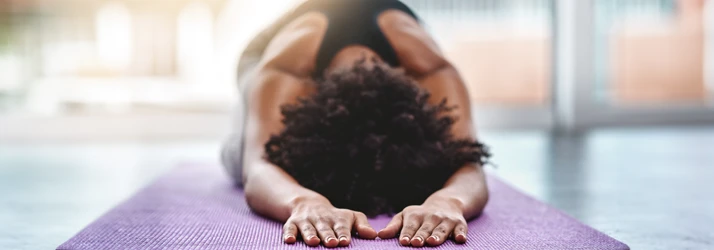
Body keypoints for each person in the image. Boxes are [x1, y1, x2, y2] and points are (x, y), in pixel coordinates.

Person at [221, 0, 490, 248]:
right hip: (266, 57)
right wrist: (303, 201)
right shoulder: (288, 68)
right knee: (239, 154)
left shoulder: (432, 70)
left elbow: (469, 165)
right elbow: (258, 167)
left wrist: (449, 201)